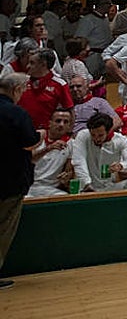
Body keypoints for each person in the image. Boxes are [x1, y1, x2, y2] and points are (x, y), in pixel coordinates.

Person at [1, 70, 39, 289]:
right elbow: (29, 143)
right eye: (23, 90)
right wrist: (40, 136)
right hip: (9, 181)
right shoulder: (17, 114)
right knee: (3, 229)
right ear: (16, 90)